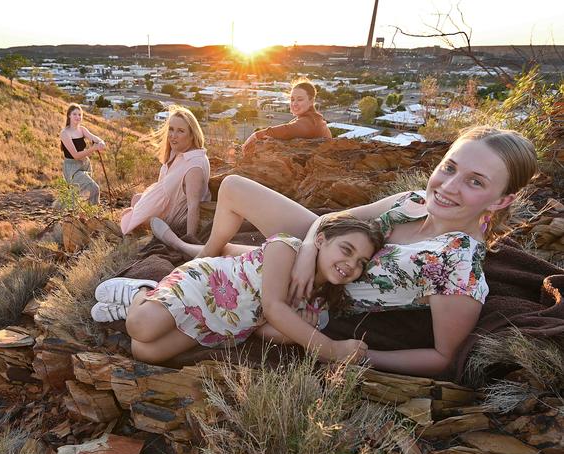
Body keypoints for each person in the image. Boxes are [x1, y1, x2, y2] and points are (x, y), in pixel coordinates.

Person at [150, 126, 539, 377]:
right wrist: (305, 252)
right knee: (234, 186)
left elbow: (443, 357)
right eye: (449, 167)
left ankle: (190, 249)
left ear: (502, 200)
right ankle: (196, 251)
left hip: (328, 291)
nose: (449, 186)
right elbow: (333, 218)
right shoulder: (413, 201)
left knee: (163, 341)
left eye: (475, 182)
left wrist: (351, 356)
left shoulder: (455, 261)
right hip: (320, 257)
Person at [91, 214, 384, 364]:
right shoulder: (286, 248)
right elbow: (272, 307)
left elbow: (265, 330)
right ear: (320, 240)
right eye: (346, 249)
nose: (350, 264)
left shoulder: (317, 307)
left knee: (144, 351)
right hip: (205, 285)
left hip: (220, 325)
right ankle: (142, 290)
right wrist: (330, 348)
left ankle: (143, 304)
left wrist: (290, 330)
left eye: (360, 263)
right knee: (141, 327)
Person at [119, 105, 211, 236]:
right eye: (171, 129)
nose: (173, 136)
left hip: (172, 220)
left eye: (180, 131)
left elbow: (193, 206)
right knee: (136, 199)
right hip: (164, 208)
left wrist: (190, 238)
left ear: (192, 135)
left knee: (127, 214)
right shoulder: (177, 152)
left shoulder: (194, 166)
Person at [241, 78, 332, 155]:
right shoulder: (314, 118)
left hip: (308, 172)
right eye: (292, 99)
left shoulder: (310, 121)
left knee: (230, 177)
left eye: (300, 99)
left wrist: (254, 136)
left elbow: (287, 130)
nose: (294, 104)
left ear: (311, 101)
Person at [60, 103, 106, 205]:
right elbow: (75, 155)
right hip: (72, 168)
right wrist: (93, 148)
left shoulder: (82, 129)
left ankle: (81, 215)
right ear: (69, 116)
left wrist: (101, 143)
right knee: (94, 188)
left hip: (85, 165)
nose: (78, 117)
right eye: (75, 114)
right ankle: (94, 213)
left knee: (79, 194)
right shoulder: (65, 133)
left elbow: (95, 138)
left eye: (80, 114)